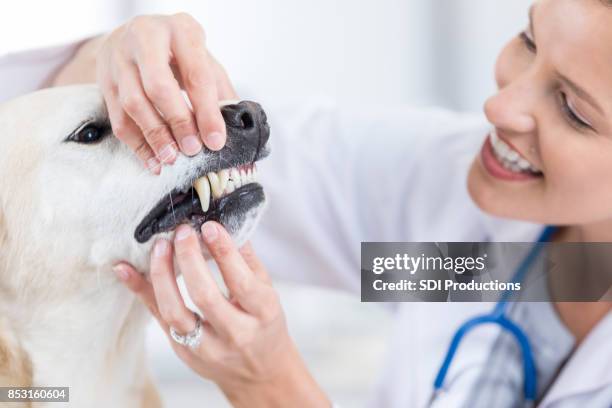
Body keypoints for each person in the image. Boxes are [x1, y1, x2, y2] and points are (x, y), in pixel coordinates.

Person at [1, 1, 611, 407]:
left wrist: (271, 386)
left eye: (575, 111)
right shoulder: (471, 246)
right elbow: (234, 154)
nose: (499, 107)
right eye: (528, 41)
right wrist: (117, 60)